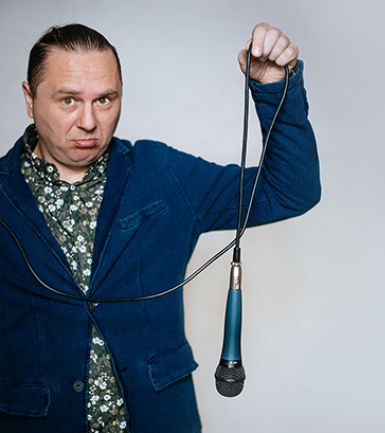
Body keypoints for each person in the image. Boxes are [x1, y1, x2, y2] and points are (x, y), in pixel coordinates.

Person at [0, 22, 321, 432]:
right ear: (30, 99)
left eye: (105, 99)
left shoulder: (162, 173)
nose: (89, 121)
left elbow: (289, 190)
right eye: (68, 100)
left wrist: (274, 87)